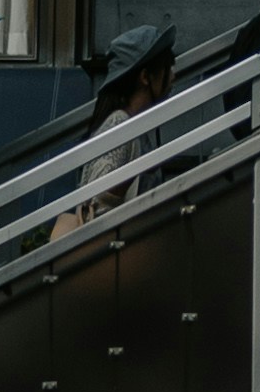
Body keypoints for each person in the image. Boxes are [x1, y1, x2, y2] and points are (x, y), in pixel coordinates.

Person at [51, 20, 177, 239]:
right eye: (167, 67)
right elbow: (96, 207)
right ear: (145, 77)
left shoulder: (132, 125)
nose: (173, 75)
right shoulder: (119, 125)